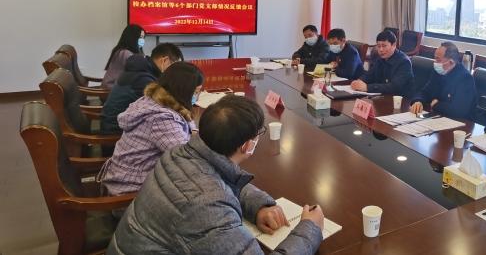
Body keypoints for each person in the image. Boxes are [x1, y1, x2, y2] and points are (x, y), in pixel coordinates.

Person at [107, 95, 325, 255]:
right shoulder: (207, 208)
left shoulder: (181, 153)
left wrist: (259, 206)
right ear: (248, 145)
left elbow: (219, 180)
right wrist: (310, 229)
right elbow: (208, 196)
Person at [99, 62, 204, 211]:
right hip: (129, 197)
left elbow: (188, 123)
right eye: (196, 92)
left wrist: (193, 132)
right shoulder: (161, 118)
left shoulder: (153, 100)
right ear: (185, 90)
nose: (197, 96)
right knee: (201, 194)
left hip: (125, 180)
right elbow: (186, 158)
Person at [100, 43, 184, 137]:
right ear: (165, 60)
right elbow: (163, 107)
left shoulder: (141, 69)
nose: (174, 72)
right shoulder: (143, 79)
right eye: (174, 67)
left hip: (117, 125)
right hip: (116, 133)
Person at [410, 41, 477, 120]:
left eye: (438, 59)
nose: (435, 62)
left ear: (450, 62)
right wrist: (418, 101)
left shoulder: (465, 78)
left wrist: (437, 105)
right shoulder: (437, 73)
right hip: (439, 117)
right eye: (435, 58)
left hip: (461, 122)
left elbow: (458, 110)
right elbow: (426, 92)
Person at [351, 30, 415, 98]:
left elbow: (394, 86)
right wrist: (359, 82)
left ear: (394, 45)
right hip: (383, 97)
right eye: (378, 46)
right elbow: (370, 75)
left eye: (384, 46)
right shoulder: (380, 58)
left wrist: (367, 87)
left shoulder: (404, 62)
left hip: (401, 100)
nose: (381, 50)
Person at [101, 24, 145, 89]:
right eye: (140, 37)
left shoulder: (122, 51)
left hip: (116, 88)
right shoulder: (125, 53)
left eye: (143, 37)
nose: (142, 40)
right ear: (132, 37)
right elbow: (140, 70)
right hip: (111, 90)